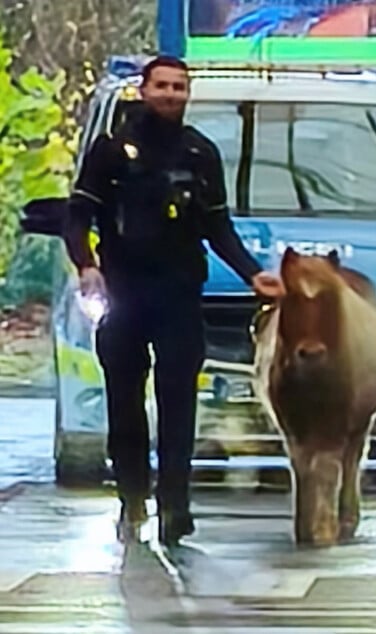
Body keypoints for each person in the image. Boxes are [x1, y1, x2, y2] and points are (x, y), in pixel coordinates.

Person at [62, 55, 286, 547]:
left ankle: (175, 505)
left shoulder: (199, 153)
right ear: (144, 90)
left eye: (179, 87)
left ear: (188, 94)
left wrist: (254, 275)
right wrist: (87, 264)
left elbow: (217, 227)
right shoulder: (110, 150)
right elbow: (78, 216)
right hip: (123, 292)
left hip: (180, 293)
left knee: (178, 399)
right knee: (125, 401)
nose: (170, 94)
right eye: (161, 85)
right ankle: (132, 495)